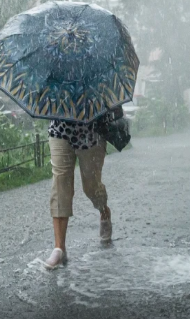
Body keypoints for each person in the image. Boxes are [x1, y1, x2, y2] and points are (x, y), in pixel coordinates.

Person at [43, 113, 115, 270]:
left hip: (92, 132)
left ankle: (104, 211)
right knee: (60, 183)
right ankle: (59, 248)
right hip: (60, 129)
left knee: (91, 186)